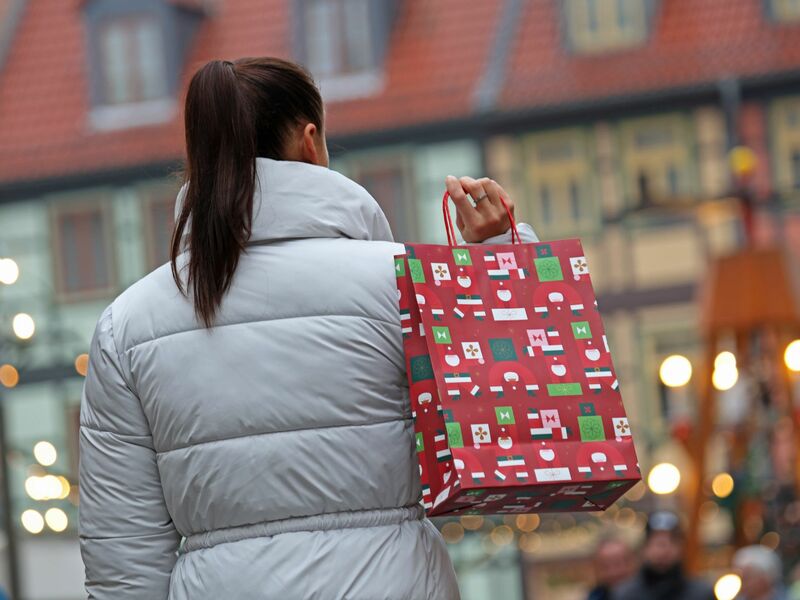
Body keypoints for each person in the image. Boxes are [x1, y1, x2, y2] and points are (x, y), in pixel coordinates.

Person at [78, 57, 537, 599]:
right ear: (309, 140)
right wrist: (497, 259)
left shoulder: (128, 326)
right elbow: (515, 419)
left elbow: (122, 554)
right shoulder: (401, 284)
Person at [614, 511, 715, 600]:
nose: (665, 549)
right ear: (644, 547)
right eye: (658, 542)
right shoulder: (625, 595)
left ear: (681, 548)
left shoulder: (702, 594)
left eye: (672, 541)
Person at [586, 535, 636, 600]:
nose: (613, 572)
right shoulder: (595, 596)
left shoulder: (649, 593)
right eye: (605, 566)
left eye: (618, 564)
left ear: (632, 563)